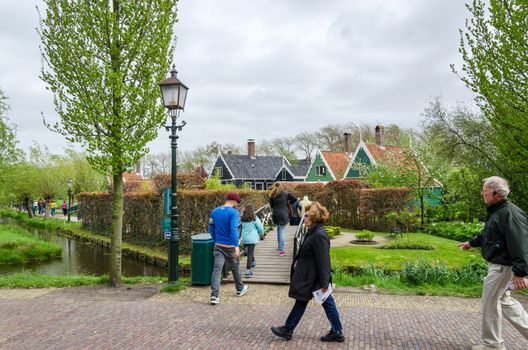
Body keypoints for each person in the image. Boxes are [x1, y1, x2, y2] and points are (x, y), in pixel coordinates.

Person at [459, 176, 528, 350]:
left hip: (503, 267)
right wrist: (471, 243)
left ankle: (493, 344)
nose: (482, 193)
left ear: (496, 192)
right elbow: (488, 234)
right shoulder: (498, 211)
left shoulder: (509, 214)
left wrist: (520, 272)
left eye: (485, 190)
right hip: (501, 265)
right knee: (505, 301)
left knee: (490, 301)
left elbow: (519, 242)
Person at [271, 202, 345, 343]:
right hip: (309, 276)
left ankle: (336, 331)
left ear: (314, 217)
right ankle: (289, 329)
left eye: (306, 216)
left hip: (314, 278)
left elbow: (323, 260)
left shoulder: (319, 235)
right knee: (303, 301)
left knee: (324, 303)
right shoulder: (313, 231)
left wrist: (324, 282)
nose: (303, 218)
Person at [208, 192, 249, 305]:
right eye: (237, 202)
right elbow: (233, 230)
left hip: (218, 246)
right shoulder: (234, 212)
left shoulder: (214, 211)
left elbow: (211, 228)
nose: (236, 204)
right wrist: (236, 246)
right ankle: (240, 289)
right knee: (235, 267)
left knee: (216, 270)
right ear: (234, 201)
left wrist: (217, 240)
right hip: (230, 247)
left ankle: (214, 296)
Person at [269, 183, 298, 256]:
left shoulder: (272, 195)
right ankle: (281, 251)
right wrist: (288, 203)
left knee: (279, 229)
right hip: (283, 214)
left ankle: (279, 246)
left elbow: (271, 206)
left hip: (275, 214)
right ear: (281, 187)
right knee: (281, 230)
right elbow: (295, 199)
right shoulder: (286, 193)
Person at [240, 204, 264, 277]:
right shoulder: (255, 218)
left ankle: (253, 262)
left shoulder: (242, 218)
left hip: (245, 238)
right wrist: (261, 234)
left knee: (250, 251)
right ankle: (248, 270)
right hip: (252, 238)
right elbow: (260, 228)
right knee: (250, 253)